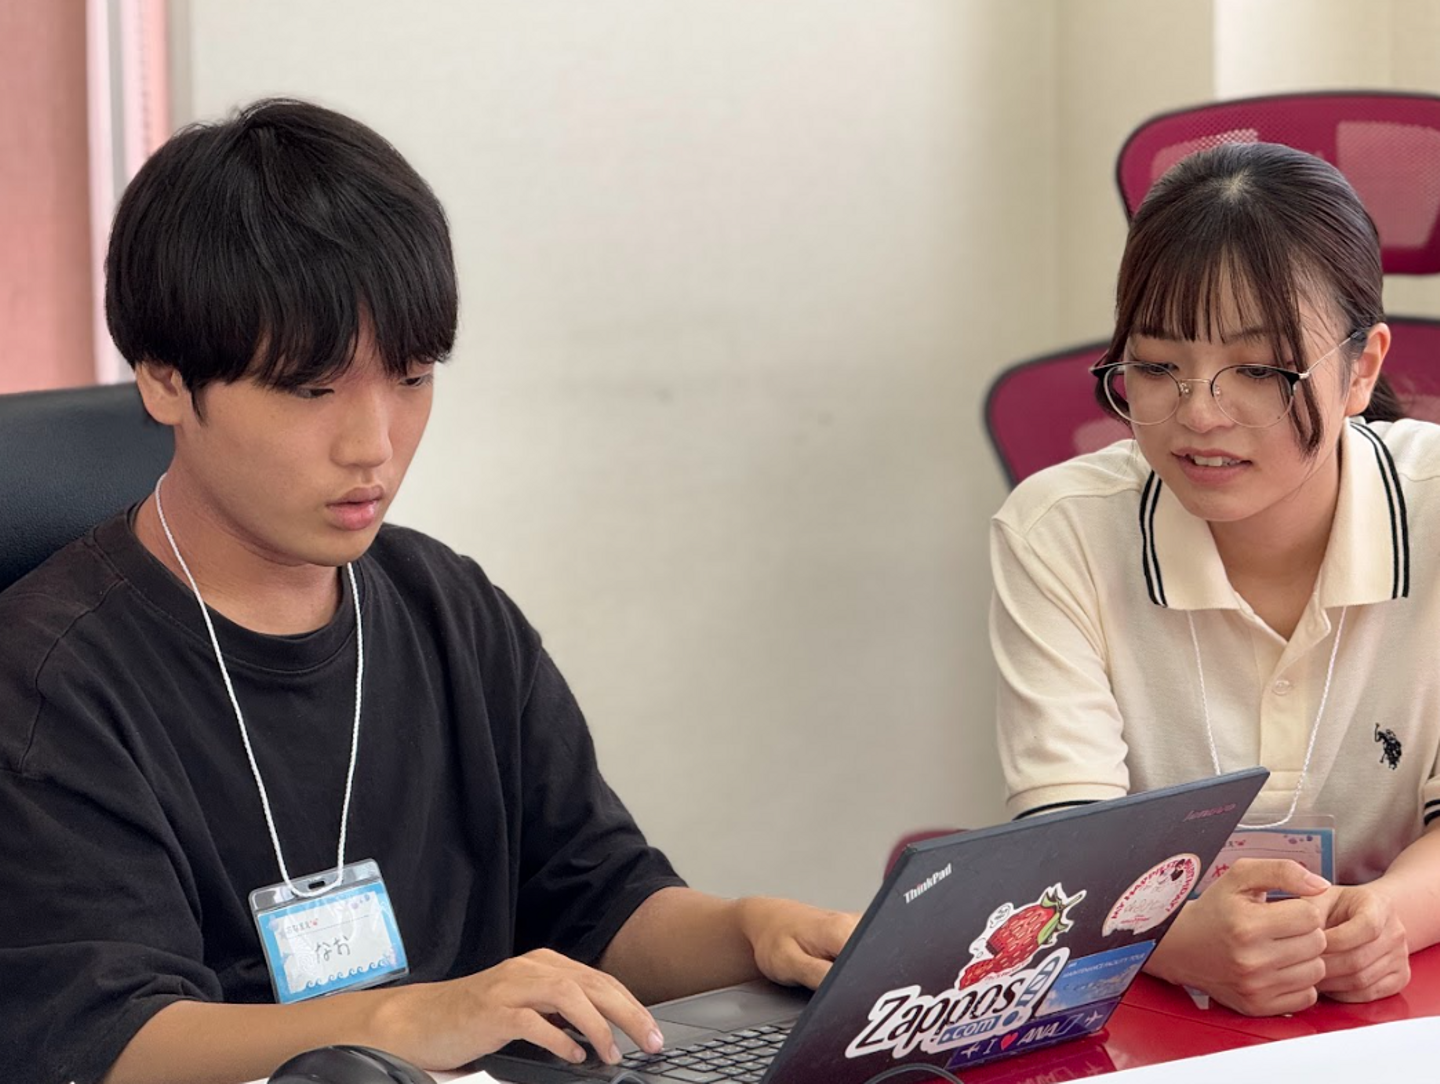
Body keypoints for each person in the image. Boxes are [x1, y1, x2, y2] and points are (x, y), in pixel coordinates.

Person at [0, 98, 856, 1084]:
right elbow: (107, 1040)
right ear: (164, 381)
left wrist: (750, 932)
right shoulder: (50, 678)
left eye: (409, 377)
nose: (373, 445)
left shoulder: (446, 606)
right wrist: (411, 1020)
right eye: (313, 389)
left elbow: (601, 902)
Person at [990, 140, 1440, 1018]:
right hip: (1143, 1000)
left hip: (1402, 995)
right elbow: (1064, 843)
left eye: (1259, 371)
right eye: (1158, 367)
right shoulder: (1057, 530)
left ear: (1362, 369)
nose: (1197, 414)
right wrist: (1175, 940)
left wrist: (1383, 917)